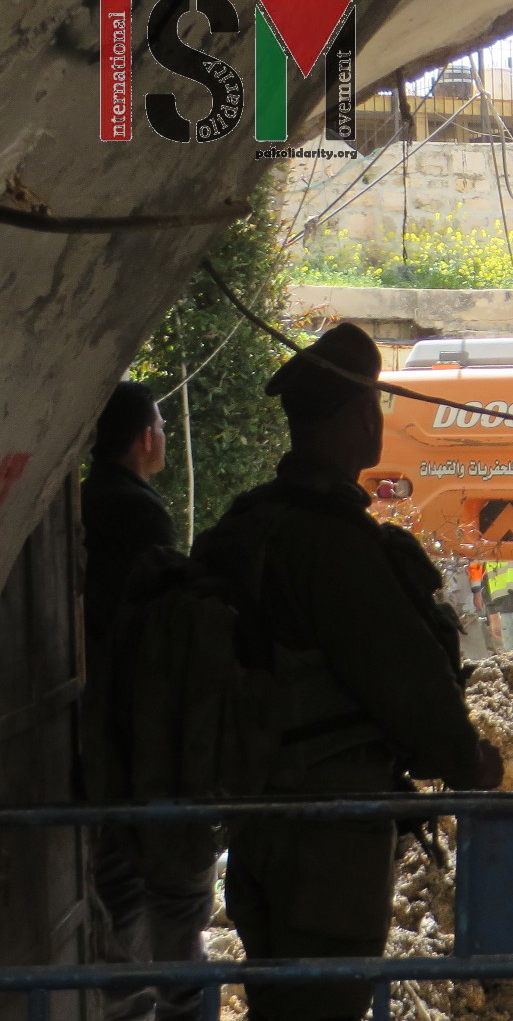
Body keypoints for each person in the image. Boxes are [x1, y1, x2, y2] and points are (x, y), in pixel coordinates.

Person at [193, 323, 501, 1020]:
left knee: (282, 1003)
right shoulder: (334, 545)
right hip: (326, 835)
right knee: (325, 1006)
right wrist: (465, 760)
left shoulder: (248, 524)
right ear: (364, 415)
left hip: (254, 819)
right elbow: (405, 679)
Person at [81, 381, 210, 1021]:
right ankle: (162, 1006)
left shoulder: (88, 500)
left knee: (111, 874)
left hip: (96, 717)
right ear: (146, 439)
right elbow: (159, 627)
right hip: (138, 720)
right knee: (154, 880)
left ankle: (125, 1004)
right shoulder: (137, 511)